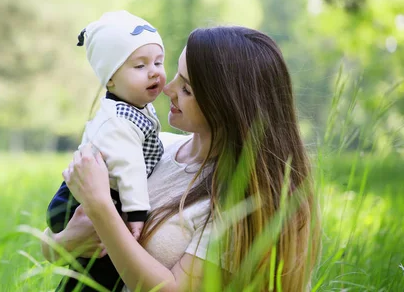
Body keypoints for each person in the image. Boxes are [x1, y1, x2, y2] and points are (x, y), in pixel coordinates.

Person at [42, 26, 321, 292]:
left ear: (226, 104)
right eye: (175, 73)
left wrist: (101, 206)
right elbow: (47, 244)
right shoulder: (150, 147)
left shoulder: (243, 199)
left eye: (187, 89)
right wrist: (67, 240)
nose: (167, 88)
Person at [46, 11, 167, 291]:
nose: (154, 72)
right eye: (140, 66)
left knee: (99, 271)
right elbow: (130, 167)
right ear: (110, 79)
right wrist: (137, 214)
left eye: (158, 62)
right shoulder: (117, 121)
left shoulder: (134, 108)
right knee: (98, 271)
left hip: (100, 194)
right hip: (79, 202)